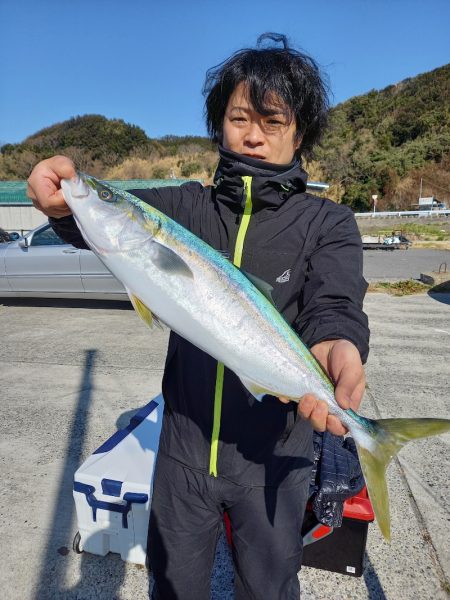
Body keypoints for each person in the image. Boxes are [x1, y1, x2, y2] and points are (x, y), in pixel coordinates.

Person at [28, 33, 369, 600]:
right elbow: (105, 224)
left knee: (267, 589)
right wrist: (68, 207)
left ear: (299, 133)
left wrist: (336, 342)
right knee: (176, 587)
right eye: (239, 117)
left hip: (275, 458)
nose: (254, 135)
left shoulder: (327, 223)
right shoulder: (184, 209)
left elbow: (335, 301)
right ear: (219, 125)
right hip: (183, 453)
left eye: (273, 121)